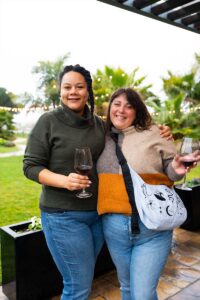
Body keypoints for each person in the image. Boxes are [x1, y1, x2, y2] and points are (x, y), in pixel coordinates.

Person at [23, 65, 172, 300]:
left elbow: (129, 131)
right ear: (60, 91)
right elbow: (30, 166)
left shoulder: (100, 125)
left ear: (88, 91)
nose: (73, 92)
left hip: (96, 216)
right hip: (63, 217)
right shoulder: (49, 121)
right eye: (67, 87)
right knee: (77, 287)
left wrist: (159, 131)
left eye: (79, 87)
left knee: (87, 281)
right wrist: (64, 181)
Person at [97, 88, 200, 300]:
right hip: (114, 226)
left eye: (129, 105)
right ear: (109, 108)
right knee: (126, 288)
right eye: (116, 104)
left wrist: (177, 168)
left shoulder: (155, 133)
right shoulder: (101, 135)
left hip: (152, 228)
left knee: (143, 294)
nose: (121, 110)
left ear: (137, 110)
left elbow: (171, 170)